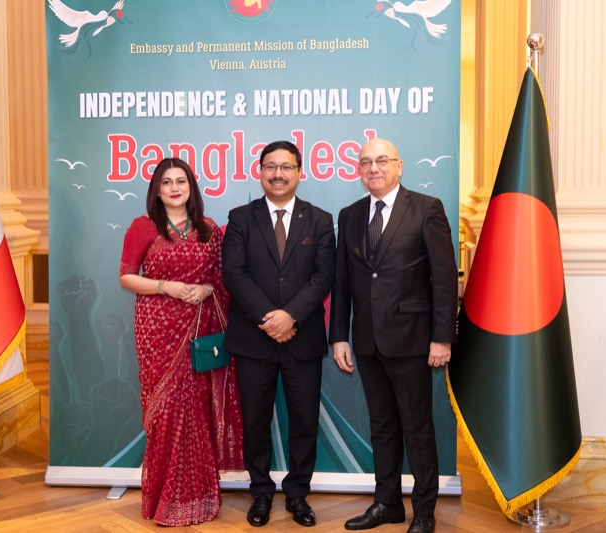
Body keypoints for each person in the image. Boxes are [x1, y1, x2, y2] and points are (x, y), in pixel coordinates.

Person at [329, 138, 458, 533]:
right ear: (358, 170)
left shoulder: (426, 209)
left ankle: (424, 512)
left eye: (382, 160)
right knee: (382, 426)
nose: (374, 168)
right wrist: (339, 336)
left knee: (417, 429)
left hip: (412, 340)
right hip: (367, 341)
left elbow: (444, 278)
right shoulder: (350, 215)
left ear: (399, 166)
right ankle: (387, 503)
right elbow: (342, 281)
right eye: (365, 162)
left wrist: (442, 338)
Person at [119, 157, 244, 526]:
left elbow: (222, 278)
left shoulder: (208, 229)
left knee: (196, 410)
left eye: (181, 181)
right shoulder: (143, 227)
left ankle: (198, 498)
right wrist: (166, 287)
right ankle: (164, 500)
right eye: (167, 182)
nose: (174, 188)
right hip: (158, 329)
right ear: (157, 190)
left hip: (200, 330)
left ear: (191, 188)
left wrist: (206, 289)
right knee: (167, 413)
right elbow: (126, 277)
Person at [222, 140, 335, 527]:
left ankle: (298, 493)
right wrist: (270, 318)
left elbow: (324, 275)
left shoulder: (319, 220)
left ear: (299, 172)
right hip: (253, 339)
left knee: (304, 421)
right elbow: (234, 273)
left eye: (286, 167)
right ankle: (260, 492)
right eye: (271, 166)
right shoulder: (241, 218)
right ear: (260, 172)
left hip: (302, 338)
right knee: (254, 422)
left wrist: (291, 317)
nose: (278, 174)